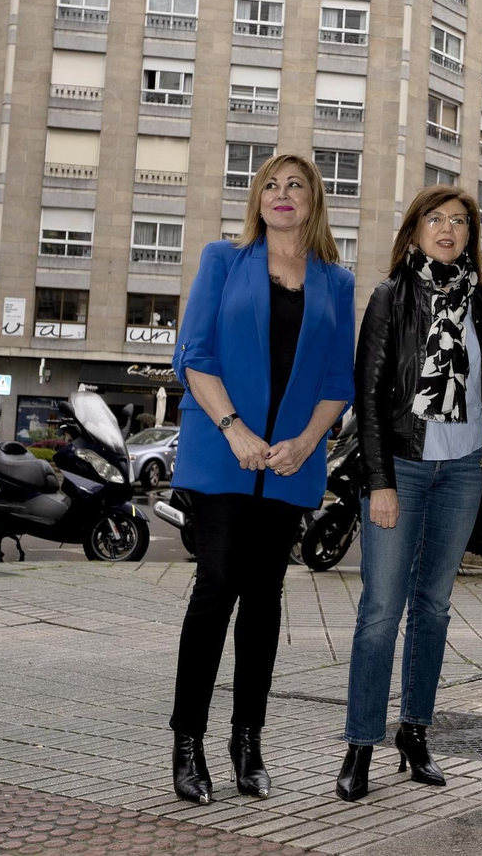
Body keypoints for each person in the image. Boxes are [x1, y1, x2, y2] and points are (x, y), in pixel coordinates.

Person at [166, 154, 356, 805]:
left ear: (313, 201)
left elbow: (338, 380)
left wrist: (306, 443)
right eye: (271, 184)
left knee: (266, 598)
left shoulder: (336, 280)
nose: (282, 194)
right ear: (258, 199)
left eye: (295, 185)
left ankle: (248, 742)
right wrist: (235, 430)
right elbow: (193, 354)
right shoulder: (225, 260)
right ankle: (187, 743)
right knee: (216, 586)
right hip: (223, 454)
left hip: (290, 464)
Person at [335, 184, 482, 801]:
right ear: (414, 231)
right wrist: (378, 481)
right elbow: (371, 398)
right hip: (402, 470)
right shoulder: (390, 298)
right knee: (380, 611)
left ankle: (415, 733)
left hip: (462, 471)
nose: (448, 230)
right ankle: (359, 745)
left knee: (432, 608)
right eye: (436, 219)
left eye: (460, 222)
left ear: (470, 237)